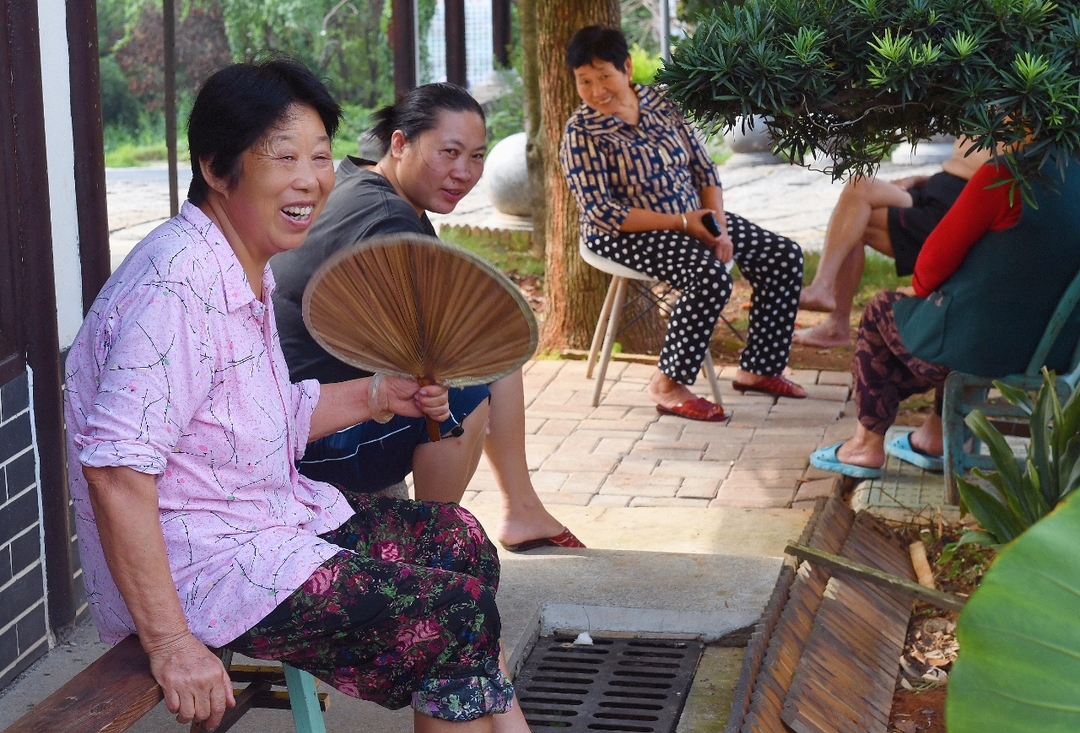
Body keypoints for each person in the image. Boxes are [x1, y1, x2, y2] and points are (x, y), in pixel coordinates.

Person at [64, 60, 527, 733]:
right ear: (217, 169)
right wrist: (170, 643)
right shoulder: (175, 289)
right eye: (284, 157)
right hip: (205, 567)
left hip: (262, 522)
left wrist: (378, 394)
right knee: (451, 614)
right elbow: (114, 470)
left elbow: (266, 414)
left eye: (318, 155)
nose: (310, 179)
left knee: (456, 541)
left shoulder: (238, 263)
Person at [272, 82, 583, 553]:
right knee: (466, 396)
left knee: (488, 350)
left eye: (476, 157)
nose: (464, 172)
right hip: (311, 441)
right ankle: (430, 544)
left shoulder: (360, 181)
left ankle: (520, 509)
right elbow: (432, 351)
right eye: (449, 152)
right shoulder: (387, 218)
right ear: (400, 144)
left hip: (301, 412)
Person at [560, 25, 806, 423]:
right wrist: (683, 223)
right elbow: (602, 211)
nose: (596, 90)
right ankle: (667, 384)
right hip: (622, 233)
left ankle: (760, 368)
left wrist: (718, 228)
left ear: (627, 68)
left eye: (604, 76)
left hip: (693, 216)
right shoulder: (581, 132)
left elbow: (705, 170)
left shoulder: (662, 103)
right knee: (709, 277)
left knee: (782, 255)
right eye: (584, 81)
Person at [809, 155, 1080, 477]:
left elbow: (936, 257)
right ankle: (935, 437)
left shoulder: (1006, 174)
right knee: (954, 317)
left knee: (883, 309)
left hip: (982, 350)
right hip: (1054, 353)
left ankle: (864, 445)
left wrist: (919, 289)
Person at [795, 139, 994, 347]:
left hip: (958, 205)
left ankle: (834, 321)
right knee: (859, 185)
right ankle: (823, 290)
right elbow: (968, 161)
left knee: (855, 222)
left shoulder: (1013, 120)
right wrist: (917, 179)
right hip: (937, 188)